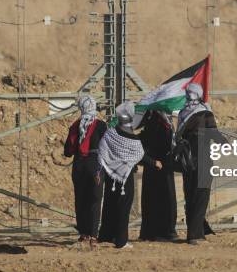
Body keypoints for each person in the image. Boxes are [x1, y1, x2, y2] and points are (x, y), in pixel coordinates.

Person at [176, 82, 226, 245]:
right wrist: (225, 142)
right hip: (202, 159)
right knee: (201, 195)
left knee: (190, 195)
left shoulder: (183, 113)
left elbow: (178, 138)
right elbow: (215, 135)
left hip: (187, 160)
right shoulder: (205, 113)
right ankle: (195, 235)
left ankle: (194, 231)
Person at [98, 101, 149, 249]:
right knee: (123, 208)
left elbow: (102, 151)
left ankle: (106, 236)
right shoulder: (133, 139)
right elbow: (139, 155)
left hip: (111, 175)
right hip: (125, 178)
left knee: (109, 205)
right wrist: (154, 163)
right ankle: (121, 240)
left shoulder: (110, 133)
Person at [64, 95, 107, 247]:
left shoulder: (75, 125)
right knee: (95, 200)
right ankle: (94, 236)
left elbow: (67, 152)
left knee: (80, 200)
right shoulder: (101, 125)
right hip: (95, 165)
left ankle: (83, 234)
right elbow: (106, 147)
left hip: (79, 166)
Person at [138, 110, 178, 241]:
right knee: (165, 199)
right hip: (161, 166)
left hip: (153, 166)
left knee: (152, 199)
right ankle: (165, 231)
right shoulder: (160, 123)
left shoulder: (154, 121)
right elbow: (165, 143)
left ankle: (151, 232)